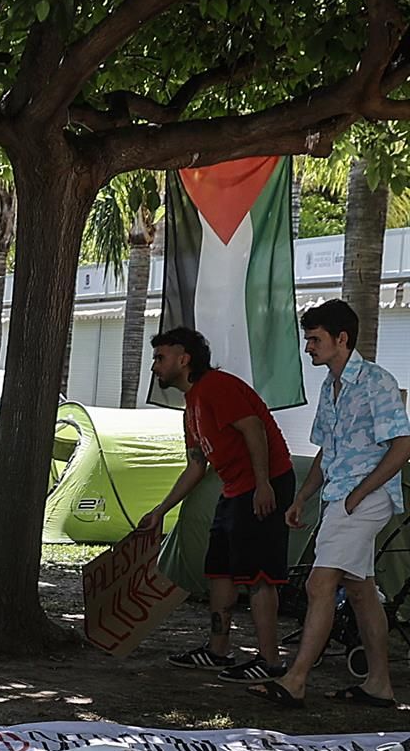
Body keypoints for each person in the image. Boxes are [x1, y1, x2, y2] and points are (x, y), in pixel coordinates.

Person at [252, 298, 410, 708]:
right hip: (341, 496)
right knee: (360, 590)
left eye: (315, 339)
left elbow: (403, 445)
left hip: (362, 499)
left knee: (319, 583)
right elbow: (327, 450)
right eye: (308, 340)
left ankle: (297, 679)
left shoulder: (377, 382)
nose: (308, 348)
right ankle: (379, 685)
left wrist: (361, 492)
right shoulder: (330, 385)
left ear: (342, 339)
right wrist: (302, 497)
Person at [135, 328, 295, 683]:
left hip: (264, 484)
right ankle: (217, 650)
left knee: (258, 575)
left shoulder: (216, 387)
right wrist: (160, 510)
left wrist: (264, 484)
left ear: (183, 358)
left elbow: (253, 428)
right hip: (236, 488)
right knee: (219, 568)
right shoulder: (191, 404)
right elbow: (196, 465)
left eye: (160, 358)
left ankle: (270, 662)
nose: (155, 367)